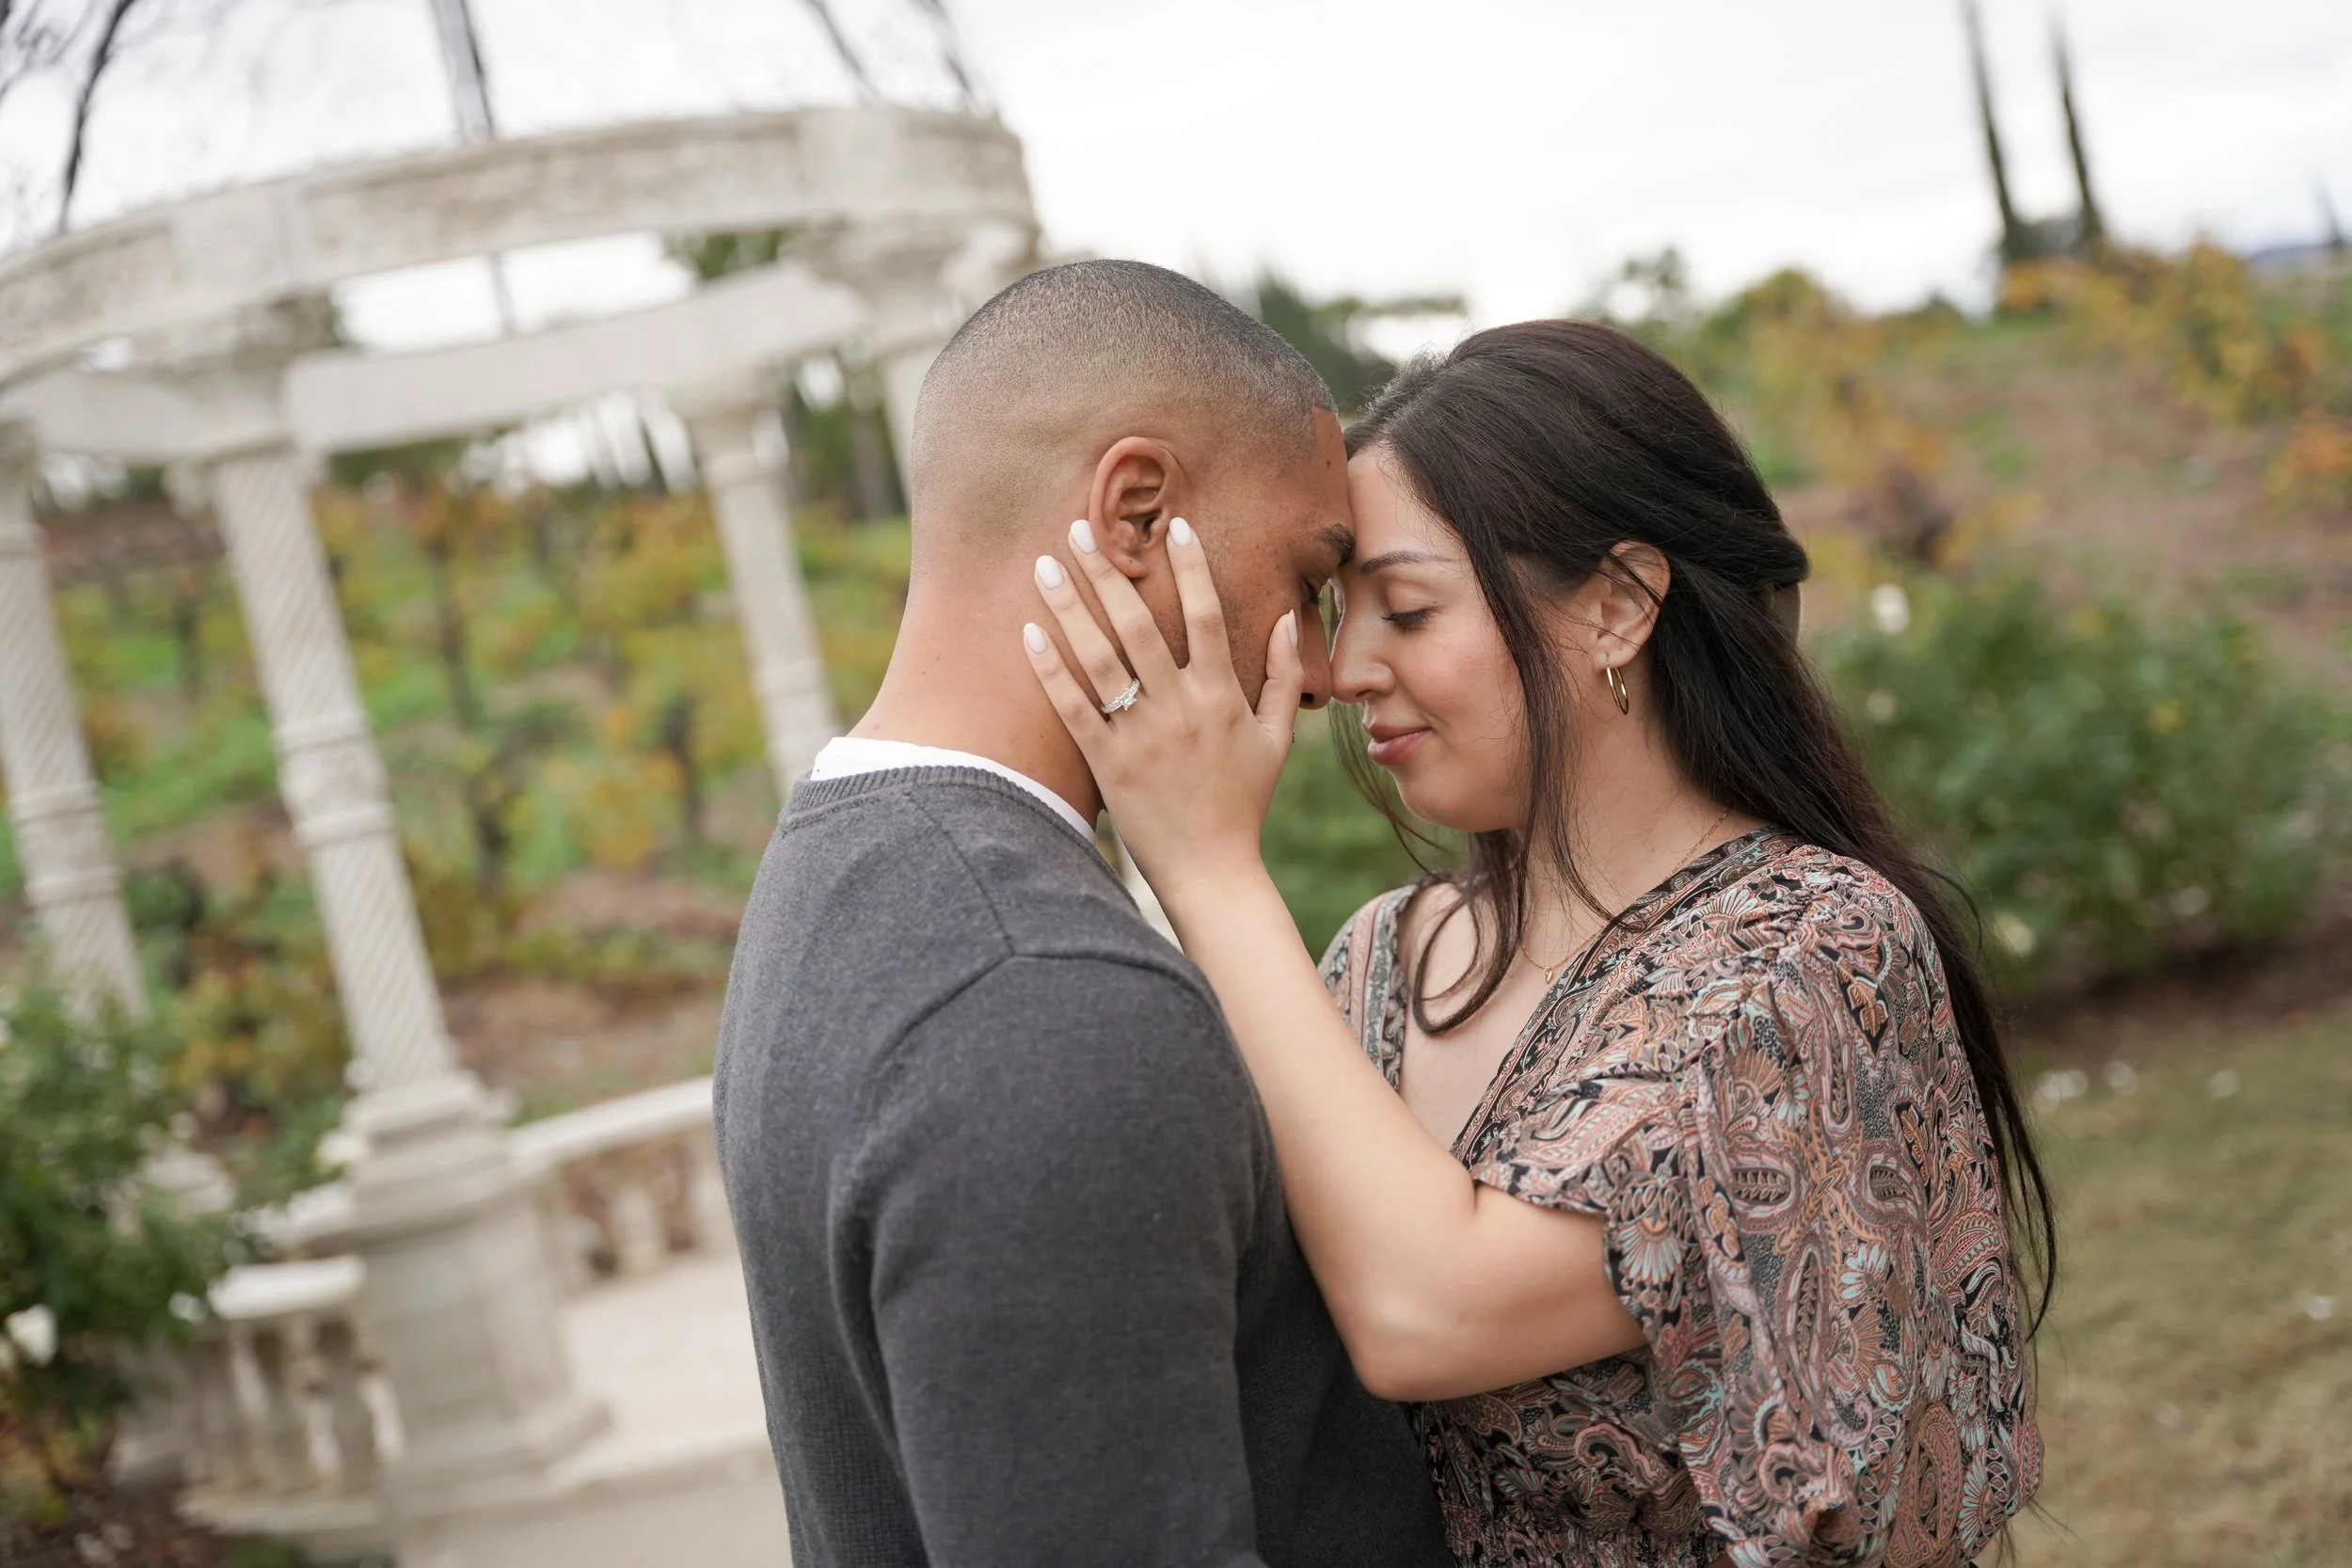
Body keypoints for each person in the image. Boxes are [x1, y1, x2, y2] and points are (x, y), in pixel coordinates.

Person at [1022, 320, 2051, 1568]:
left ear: (1617, 606)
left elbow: (1424, 1313)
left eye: (1407, 609)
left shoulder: (1809, 955)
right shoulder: (1377, 962)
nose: (1344, 668)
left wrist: (1207, 868)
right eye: (1341, 610)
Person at [711, 260, 1449, 1568]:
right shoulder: (1043, 996)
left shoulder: (834, 866)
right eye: (1309, 575)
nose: (1327, 669)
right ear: (1136, 512)